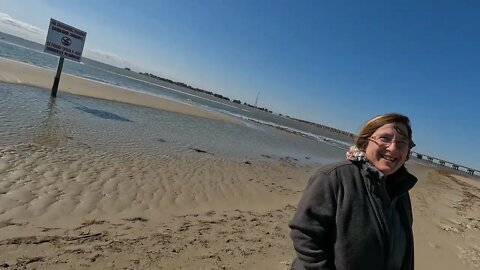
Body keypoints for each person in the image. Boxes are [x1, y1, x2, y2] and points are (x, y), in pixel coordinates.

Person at [289, 113, 417, 270]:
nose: (393, 147)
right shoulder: (333, 177)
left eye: (402, 142)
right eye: (384, 138)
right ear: (365, 142)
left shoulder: (402, 190)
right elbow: (305, 236)